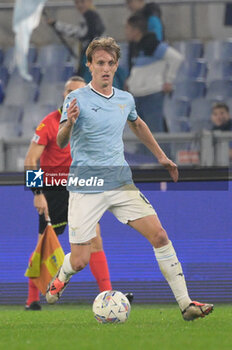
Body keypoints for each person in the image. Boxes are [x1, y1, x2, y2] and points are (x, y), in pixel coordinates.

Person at [46, 37, 213, 321]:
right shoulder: (76, 98)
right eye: (100, 63)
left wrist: (161, 156)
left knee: (159, 235)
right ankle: (61, 276)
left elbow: (137, 123)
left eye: (111, 63)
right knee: (80, 260)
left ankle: (186, 305)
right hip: (87, 186)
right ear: (90, 66)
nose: (106, 68)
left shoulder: (125, 99)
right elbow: (61, 142)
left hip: (120, 182)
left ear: (116, 65)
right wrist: (70, 122)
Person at [24, 76, 130, 310]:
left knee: (95, 240)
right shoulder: (49, 123)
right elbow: (31, 159)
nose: (74, 95)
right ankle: (32, 298)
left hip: (83, 187)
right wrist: (37, 193)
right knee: (45, 243)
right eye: (70, 91)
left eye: (80, 91)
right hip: (54, 190)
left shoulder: (91, 121)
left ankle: (107, 295)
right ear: (64, 95)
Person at [125, 14, 183, 132]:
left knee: (155, 133)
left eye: (127, 28)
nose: (125, 32)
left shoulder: (154, 45)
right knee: (141, 135)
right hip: (137, 95)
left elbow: (177, 58)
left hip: (151, 94)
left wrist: (168, 80)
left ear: (136, 30)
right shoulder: (137, 47)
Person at [47, 0, 105, 82]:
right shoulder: (90, 16)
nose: (80, 5)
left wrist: (57, 25)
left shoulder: (90, 15)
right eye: (77, 2)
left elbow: (81, 33)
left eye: (82, 2)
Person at [126, 0, 164, 73]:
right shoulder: (138, 17)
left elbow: (157, 40)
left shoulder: (151, 16)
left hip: (149, 62)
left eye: (130, 2)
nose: (129, 6)